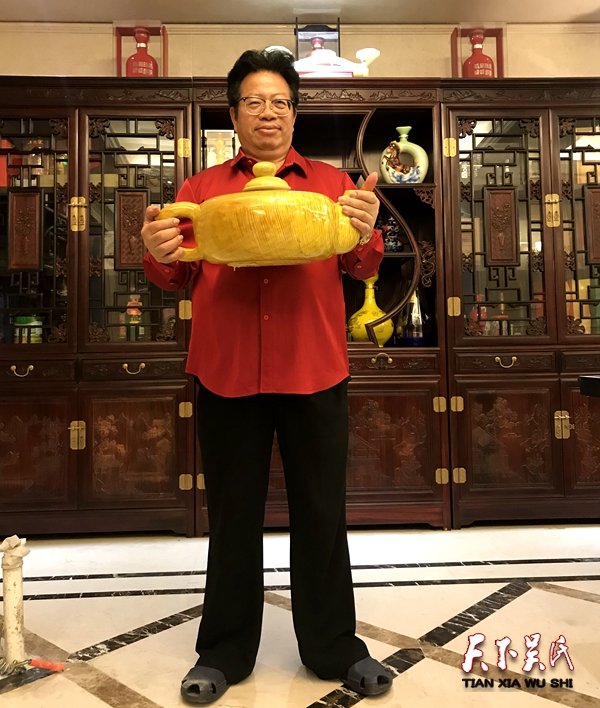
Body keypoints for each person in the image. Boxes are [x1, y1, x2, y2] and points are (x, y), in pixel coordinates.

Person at [141, 48, 393, 705]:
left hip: (314, 366)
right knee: (231, 515)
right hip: (226, 370)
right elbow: (175, 274)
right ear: (234, 115)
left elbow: (363, 267)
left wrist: (368, 232)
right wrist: (158, 251)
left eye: (280, 102)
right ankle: (223, 650)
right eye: (254, 102)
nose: (269, 113)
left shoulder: (333, 185)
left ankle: (335, 647)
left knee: (322, 512)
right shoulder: (200, 190)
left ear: (295, 114)